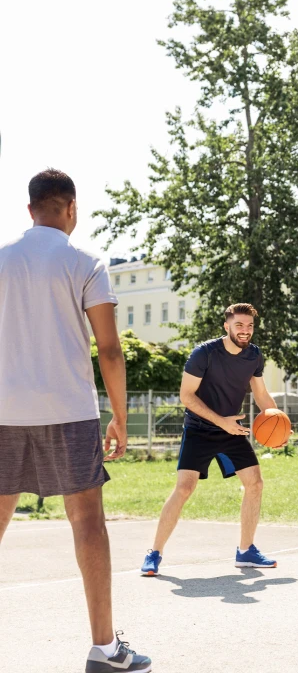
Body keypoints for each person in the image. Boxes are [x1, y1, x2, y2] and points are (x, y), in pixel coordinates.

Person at [0, 169, 151, 673]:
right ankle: (104, 651)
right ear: (71, 208)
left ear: (30, 210)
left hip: (4, 410)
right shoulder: (86, 262)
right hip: (68, 411)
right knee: (87, 521)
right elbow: (109, 349)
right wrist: (120, 418)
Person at [141, 303, 284, 576]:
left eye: (249, 326)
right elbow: (186, 396)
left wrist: (279, 423)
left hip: (231, 430)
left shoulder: (254, 355)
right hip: (199, 429)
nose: (245, 330)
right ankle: (154, 553)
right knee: (184, 488)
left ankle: (246, 551)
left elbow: (261, 394)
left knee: (255, 483)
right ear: (226, 326)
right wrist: (221, 421)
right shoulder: (204, 353)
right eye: (239, 325)